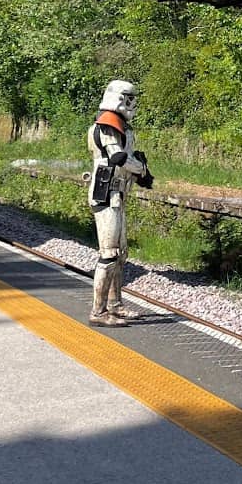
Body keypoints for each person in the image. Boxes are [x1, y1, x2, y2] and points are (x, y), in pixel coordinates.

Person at [86, 78, 153, 325]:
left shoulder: (120, 125)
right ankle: (99, 311)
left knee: (120, 254)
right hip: (106, 194)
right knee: (109, 254)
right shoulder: (108, 124)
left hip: (118, 193)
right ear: (120, 98)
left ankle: (114, 304)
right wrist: (141, 170)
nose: (132, 104)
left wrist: (139, 170)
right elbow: (118, 157)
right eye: (129, 98)